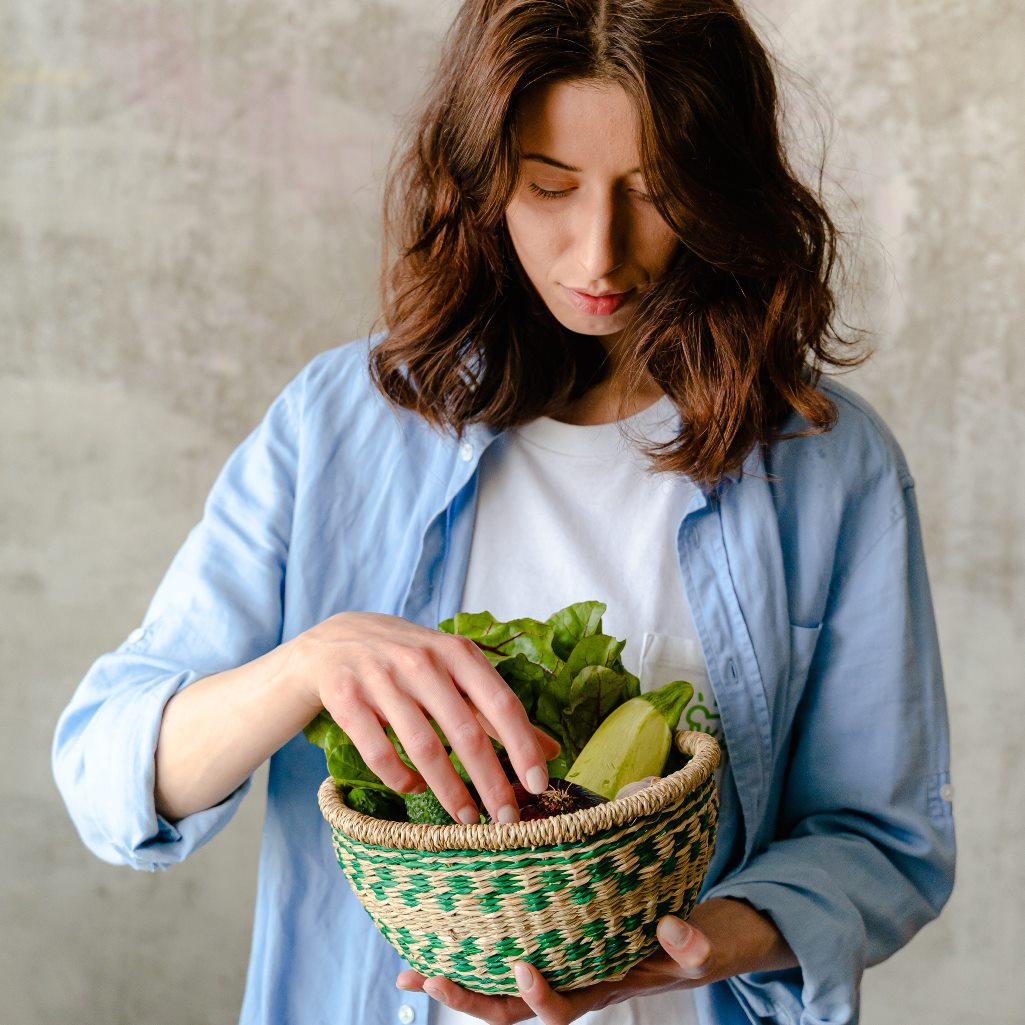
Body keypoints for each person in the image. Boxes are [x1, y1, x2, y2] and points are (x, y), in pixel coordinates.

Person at [52, 2, 955, 1023]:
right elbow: (105, 771)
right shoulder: (337, 425)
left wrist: (703, 944)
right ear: (482, 181)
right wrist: (308, 664)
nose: (597, 253)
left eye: (653, 193)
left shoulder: (825, 463)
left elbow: (882, 842)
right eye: (549, 188)